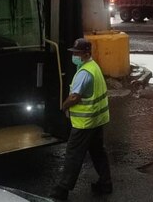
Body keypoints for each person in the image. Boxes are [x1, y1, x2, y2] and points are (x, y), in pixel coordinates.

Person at [51, 38, 112, 201]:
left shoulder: (85, 73)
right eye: (74, 52)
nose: (74, 55)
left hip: (85, 123)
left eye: (77, 53)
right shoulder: (94, 67)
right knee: (98, 152)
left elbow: (74, 97)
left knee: (73, 154)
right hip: (97, 120)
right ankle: (105, 183)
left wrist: (64, 106)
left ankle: (62, 189)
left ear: (86, 53)